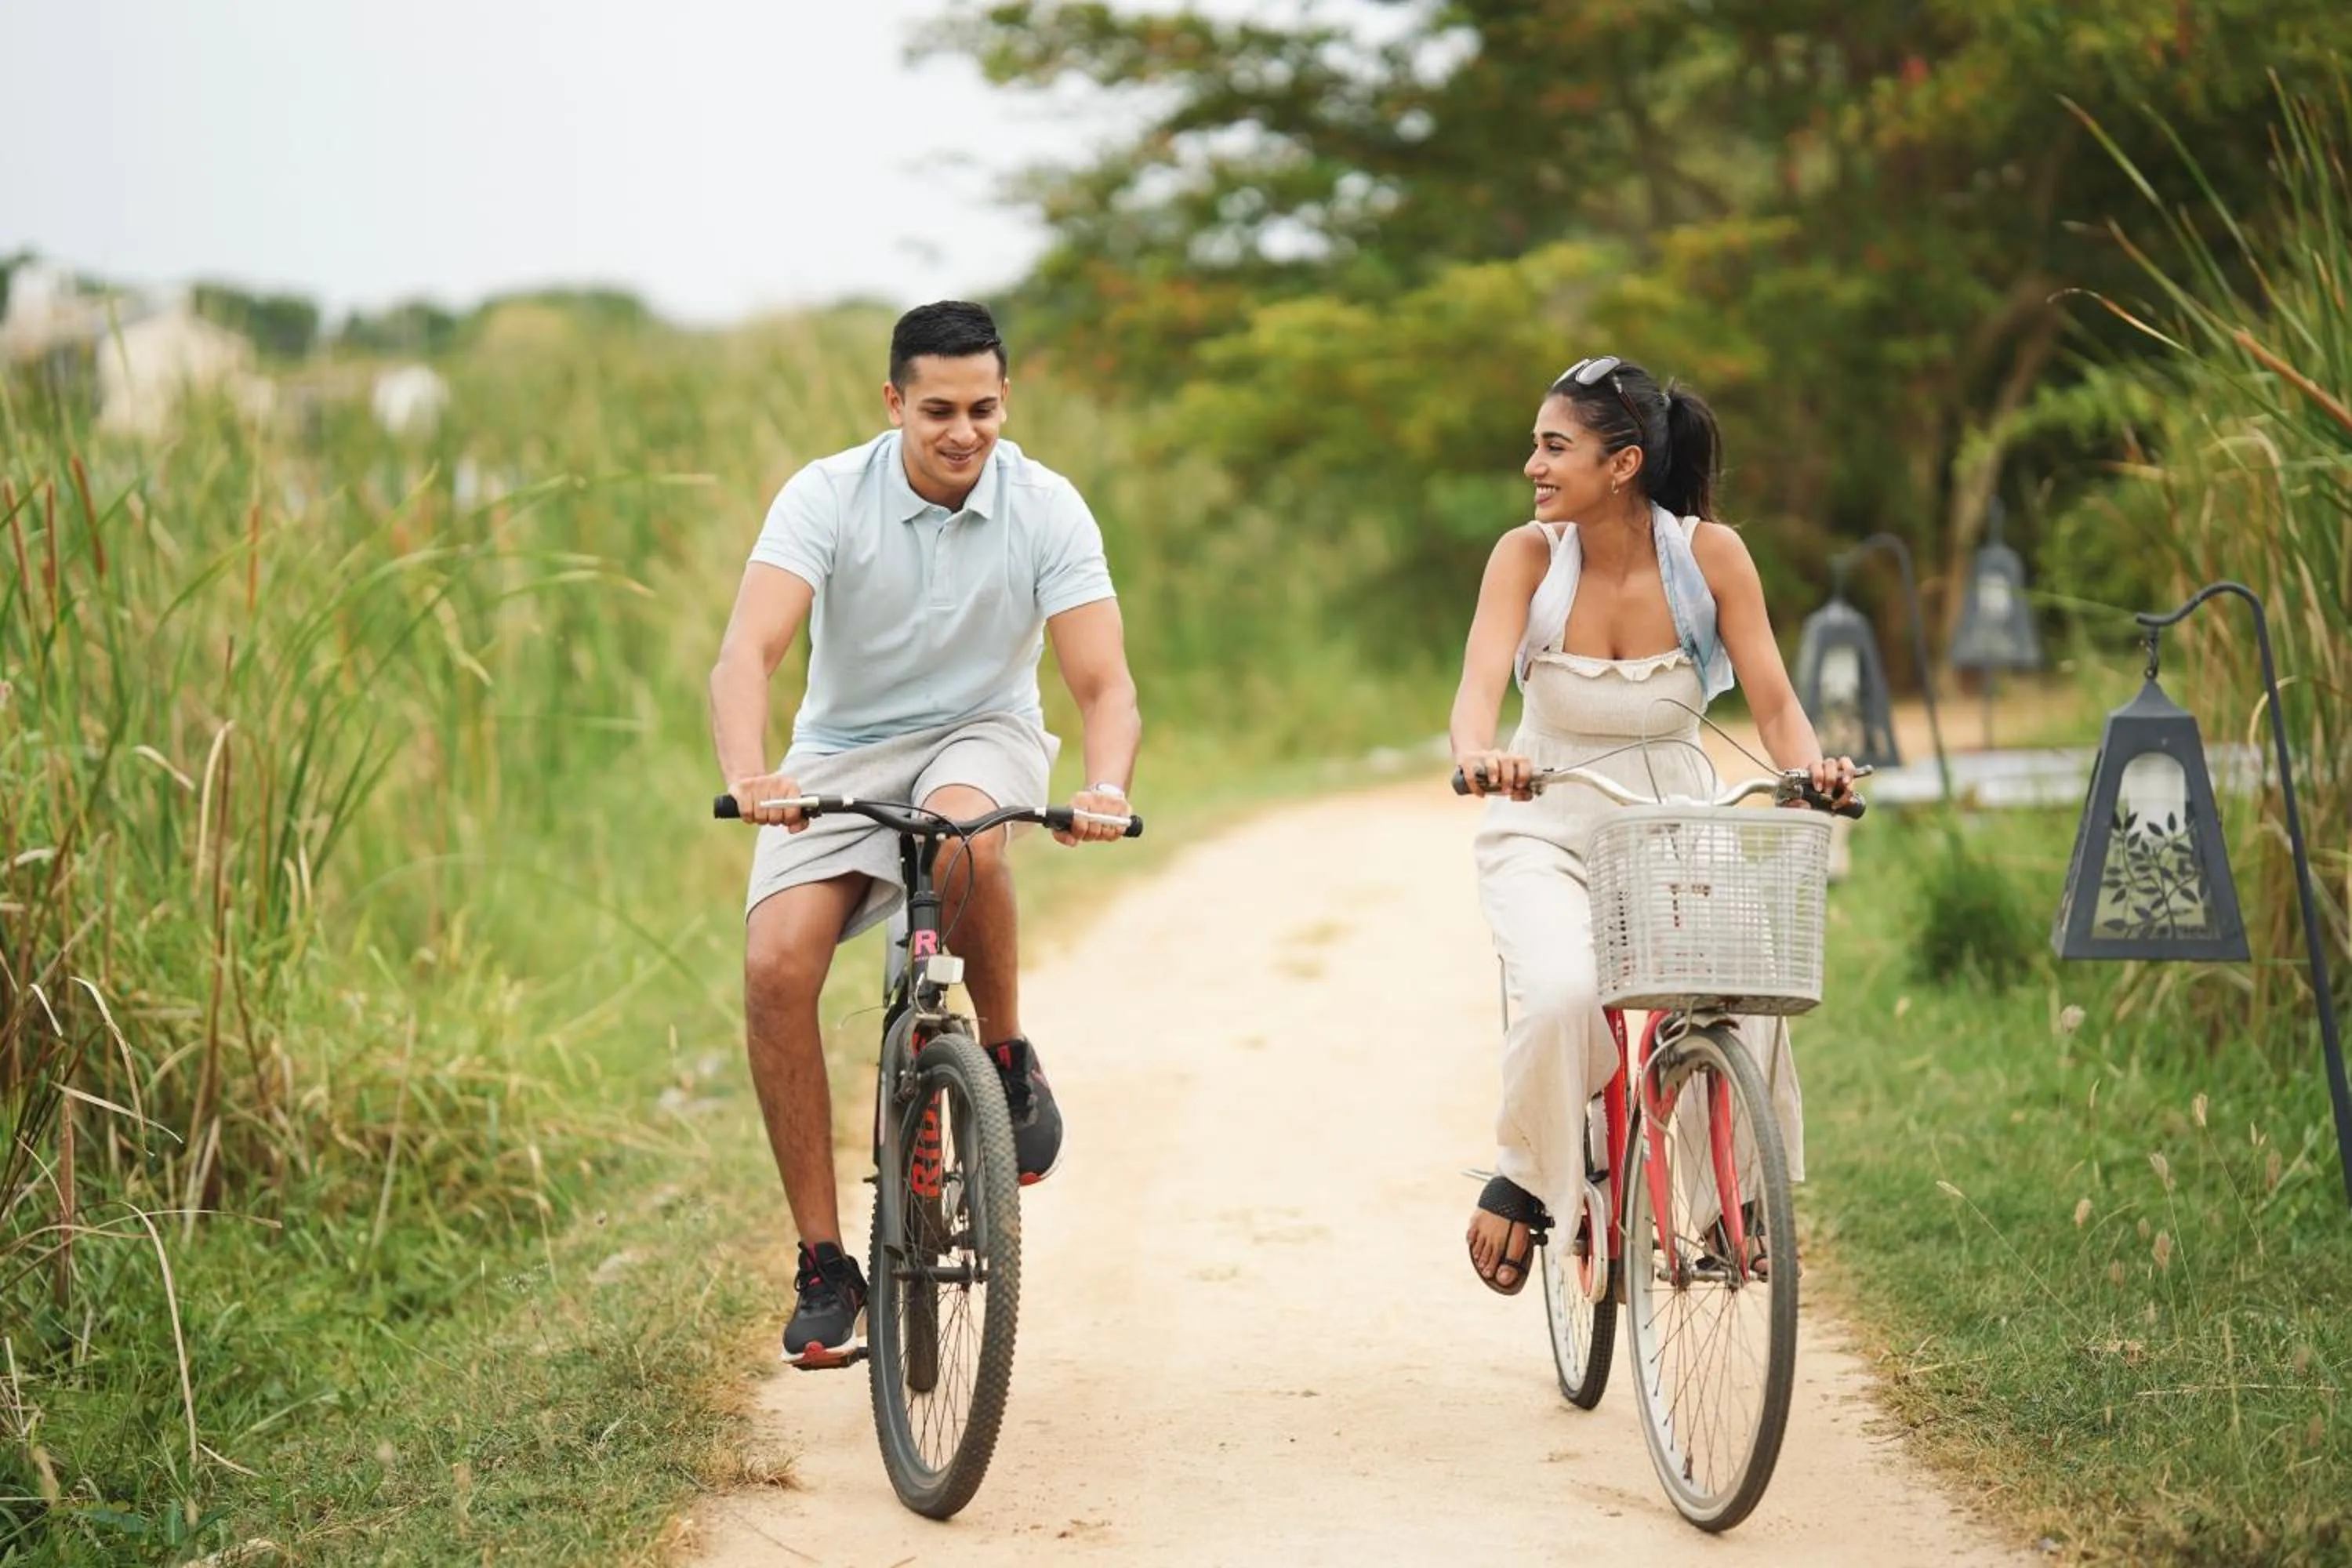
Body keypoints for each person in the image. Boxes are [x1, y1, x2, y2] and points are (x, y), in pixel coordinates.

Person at [710, 300, 1142, 1366]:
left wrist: (1104, 784)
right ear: (894, 403)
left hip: (980, 730)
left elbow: (1103, 680)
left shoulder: (1047, 507)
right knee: (773, 968)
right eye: (939, 409)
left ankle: (999, 1058)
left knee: (963, 844)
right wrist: (751, 777)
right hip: (839, 747)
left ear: (1007, 401)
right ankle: (825, 1264)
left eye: (984, 408)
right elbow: (746, 655)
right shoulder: (825, 495)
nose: (964, 432)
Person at [1448, 354, 1854, 1294]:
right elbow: (1475, 694)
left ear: (1621, 463)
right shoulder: (1527, 556)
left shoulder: (1710, 556)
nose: (1532, 466)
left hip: (1676, 824)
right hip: (1545, 820)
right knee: (1559, 993)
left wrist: (1811, 766)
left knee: (1744, 982)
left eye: (1554, 446)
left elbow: (1778, 704)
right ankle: (1526, 1173)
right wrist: (1481, 755)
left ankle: (1728, 1197)